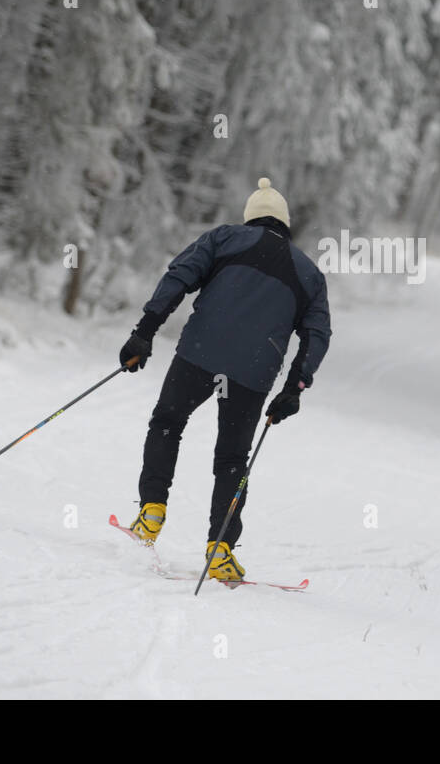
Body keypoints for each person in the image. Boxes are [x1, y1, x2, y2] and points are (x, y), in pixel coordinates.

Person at [118, 178, 331, 581]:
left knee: (167, 422)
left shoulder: (225, 239)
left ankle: (151, 514)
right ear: (285, 224)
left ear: (250, 217)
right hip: (254, 372)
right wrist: (295, 387)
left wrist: (145, 330)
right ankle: (220, 549)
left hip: (200, 355)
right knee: (232, 458)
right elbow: (317, 335)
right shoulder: (309, 274)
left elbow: (178, 276)